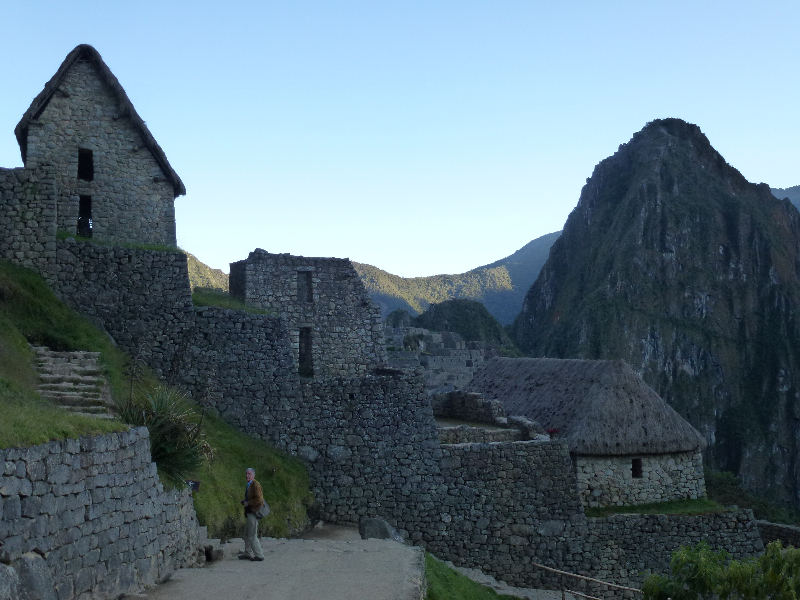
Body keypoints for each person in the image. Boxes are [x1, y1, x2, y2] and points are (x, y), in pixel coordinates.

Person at [238, 467, 265, 561]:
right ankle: (247, 553)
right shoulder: (250, 484)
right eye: (246, 474)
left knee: (252, 535)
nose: (247, 476)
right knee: (246, 534)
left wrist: (248, 503)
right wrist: (245, 501)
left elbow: (259, 500)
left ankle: (259, 555)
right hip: (250, 512)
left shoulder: (255, 485)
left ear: (253, 475)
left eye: (249, 474)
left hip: (253, 512)